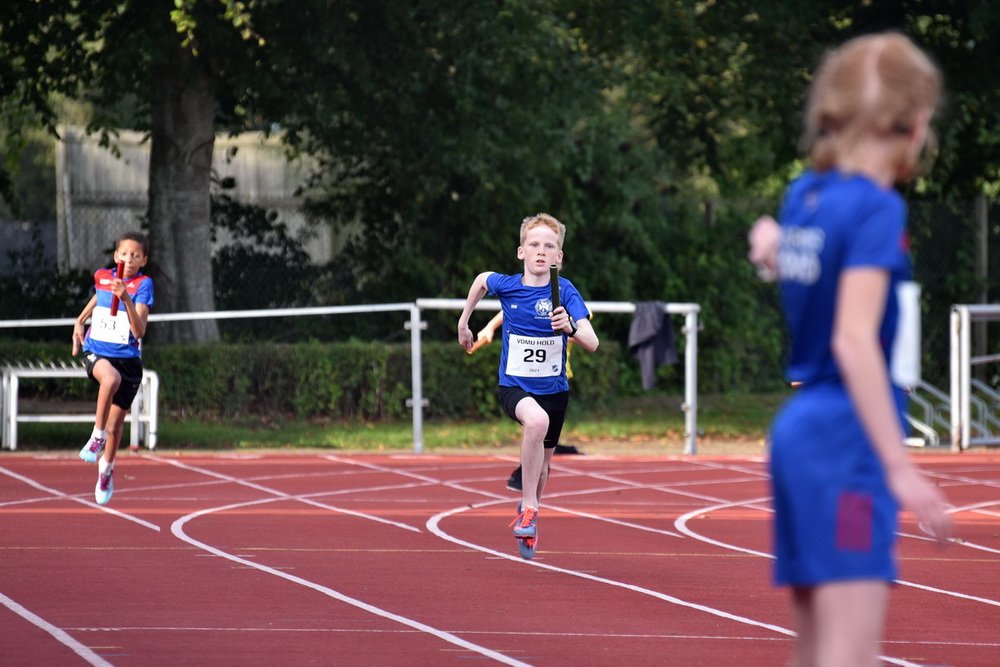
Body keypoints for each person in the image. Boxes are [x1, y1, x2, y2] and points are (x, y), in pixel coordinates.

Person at [748, 32, 953, 667]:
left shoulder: (804, 197)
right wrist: (899, 465)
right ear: (914, 124)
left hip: (799, 431)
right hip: (849, 440)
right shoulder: (876, 210)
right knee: (850, 656)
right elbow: (853, 337)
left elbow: (792, 257)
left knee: (815, 653)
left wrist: (769, 247)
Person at [458, 213, 598, 559]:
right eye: (534, 245)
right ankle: (530, 506)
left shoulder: (564, 291)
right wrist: (465, 324)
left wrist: (569, 328)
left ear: (558, 257)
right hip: (515, 388)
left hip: (555, 392)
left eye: (549, 246)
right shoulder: (508, 285)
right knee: (536, 422)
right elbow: (481, 280)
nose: (541, 251)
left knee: (545, 464)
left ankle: (530, 512)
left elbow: (592, 342)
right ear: (521, 252)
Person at [468, 306, 589, 493]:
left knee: (543, 436)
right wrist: (490, 327)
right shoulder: (527, 294)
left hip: (553, 377)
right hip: (525, 375)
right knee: (532, 422)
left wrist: (560, 327)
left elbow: (583, 335)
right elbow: (512, 307)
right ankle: (524, 471)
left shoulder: (571, 300)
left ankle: (534, 483)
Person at [72, 231, 154, 505]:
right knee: (109, 378)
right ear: (116, 255)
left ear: (144, 260)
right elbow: (99, 296)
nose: (128, 259)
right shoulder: (102, 276)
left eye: (135, 255)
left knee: (116, 427)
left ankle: (106, 469)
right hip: (96, 351)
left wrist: (127, 299)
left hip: (128, 359)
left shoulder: (143, 284)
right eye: (124, 253)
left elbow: (139, 330)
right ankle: (95, 438)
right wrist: (80, 320)